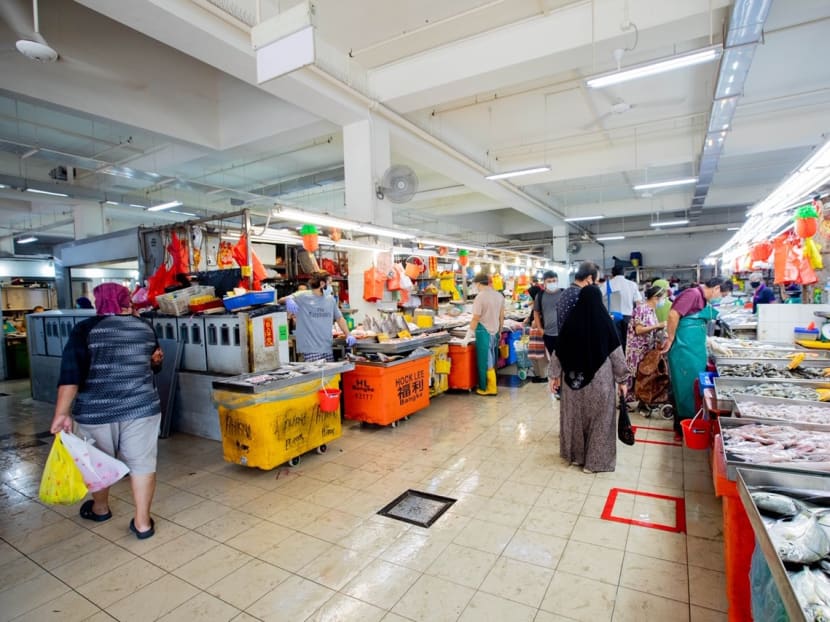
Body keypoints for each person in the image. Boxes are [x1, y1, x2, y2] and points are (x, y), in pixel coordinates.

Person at [50, 283, 164, 539]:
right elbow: (154, 365)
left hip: (96, 410)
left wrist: (61, 413)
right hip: (142, 407)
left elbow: (71, 375)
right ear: (126, 300)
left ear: (98, 301)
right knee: (143, 464)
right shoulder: (145, 327)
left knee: (97, 462)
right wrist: (155, 362)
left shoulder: (85, 329)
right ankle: (143, 523)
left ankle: (100, 508)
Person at [548, 284, 629, 474]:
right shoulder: (605, 323)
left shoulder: (570, 322)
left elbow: (558, 351)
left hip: (572, 382)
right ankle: (595, 463)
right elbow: (616, 354)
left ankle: (576, 457)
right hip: (600, 381)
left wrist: (554, 376)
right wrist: (623, 380)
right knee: (601, 422)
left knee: (574, 420)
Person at [661, 277, 733, 437]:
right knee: (684, 388)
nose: (719, 298)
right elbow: (673, 315)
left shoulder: (701, 298)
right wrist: (671, 338)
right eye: (722, 294)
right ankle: (682, 425)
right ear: (716, 288)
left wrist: (711, 343)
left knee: (692, 388)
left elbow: (693, 325)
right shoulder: (693, 294)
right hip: (683, 351)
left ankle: (690, 421)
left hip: (694, 350)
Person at [286, 271, 355, 362]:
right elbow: (281, 301)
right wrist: (289, 299)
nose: (331, 287)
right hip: (310, 349)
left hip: (326, 347)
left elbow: (339, 318)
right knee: (316, 375)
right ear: (322, 284)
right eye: (329, 283)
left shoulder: (330, 300)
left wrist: (348, 334)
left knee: (329, 376)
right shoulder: (303, 296)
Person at [465, 273, 505, 396]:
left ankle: (488, 387)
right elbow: (501, 316)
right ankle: (493, 384)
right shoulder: (499, 295)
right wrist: (500, 330)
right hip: (495, 331)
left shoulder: (480, 297)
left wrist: (468, 335)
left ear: (478, 283)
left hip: (484, 332)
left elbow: (476, 318)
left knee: (485, 360)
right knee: (492, 358)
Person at [624, 285, 667, 401]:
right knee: (635, 375)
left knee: (643, 375)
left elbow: (651, 328)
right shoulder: (641, 309)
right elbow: (639, 330)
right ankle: (628, 401)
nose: (664, 301)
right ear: (655, 298)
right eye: (663, 298)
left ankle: (640, 398)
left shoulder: (652, 311)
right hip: (636, 349)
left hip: (646, 348)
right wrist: (658, 325)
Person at [533, 271, 562, 385]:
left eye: (554, 281)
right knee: (554, 361)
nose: (552, 283)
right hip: (549, 334)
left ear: (557, 281)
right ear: (544, 283)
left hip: (564, 334)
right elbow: (536, 312)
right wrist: (540, 329)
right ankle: (558, 386)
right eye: (549, 281)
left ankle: (565, 386)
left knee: (565, 360)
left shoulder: (564, 293)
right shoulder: (540, 296)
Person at [556, 261, 600, 333]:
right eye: (596, 281)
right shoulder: (582, 295)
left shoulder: (564, 293)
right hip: (578, 342)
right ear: (589, 278)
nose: (597, 284)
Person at [607, 265, 642, 352]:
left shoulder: (607, 284)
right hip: (628, 317)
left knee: (616, 343)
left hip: (613, 317)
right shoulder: (632, 284)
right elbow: (638, 303)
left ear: (612, 273)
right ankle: (627, 362)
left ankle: (618, 362)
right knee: (628, 342)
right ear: (624, 273)